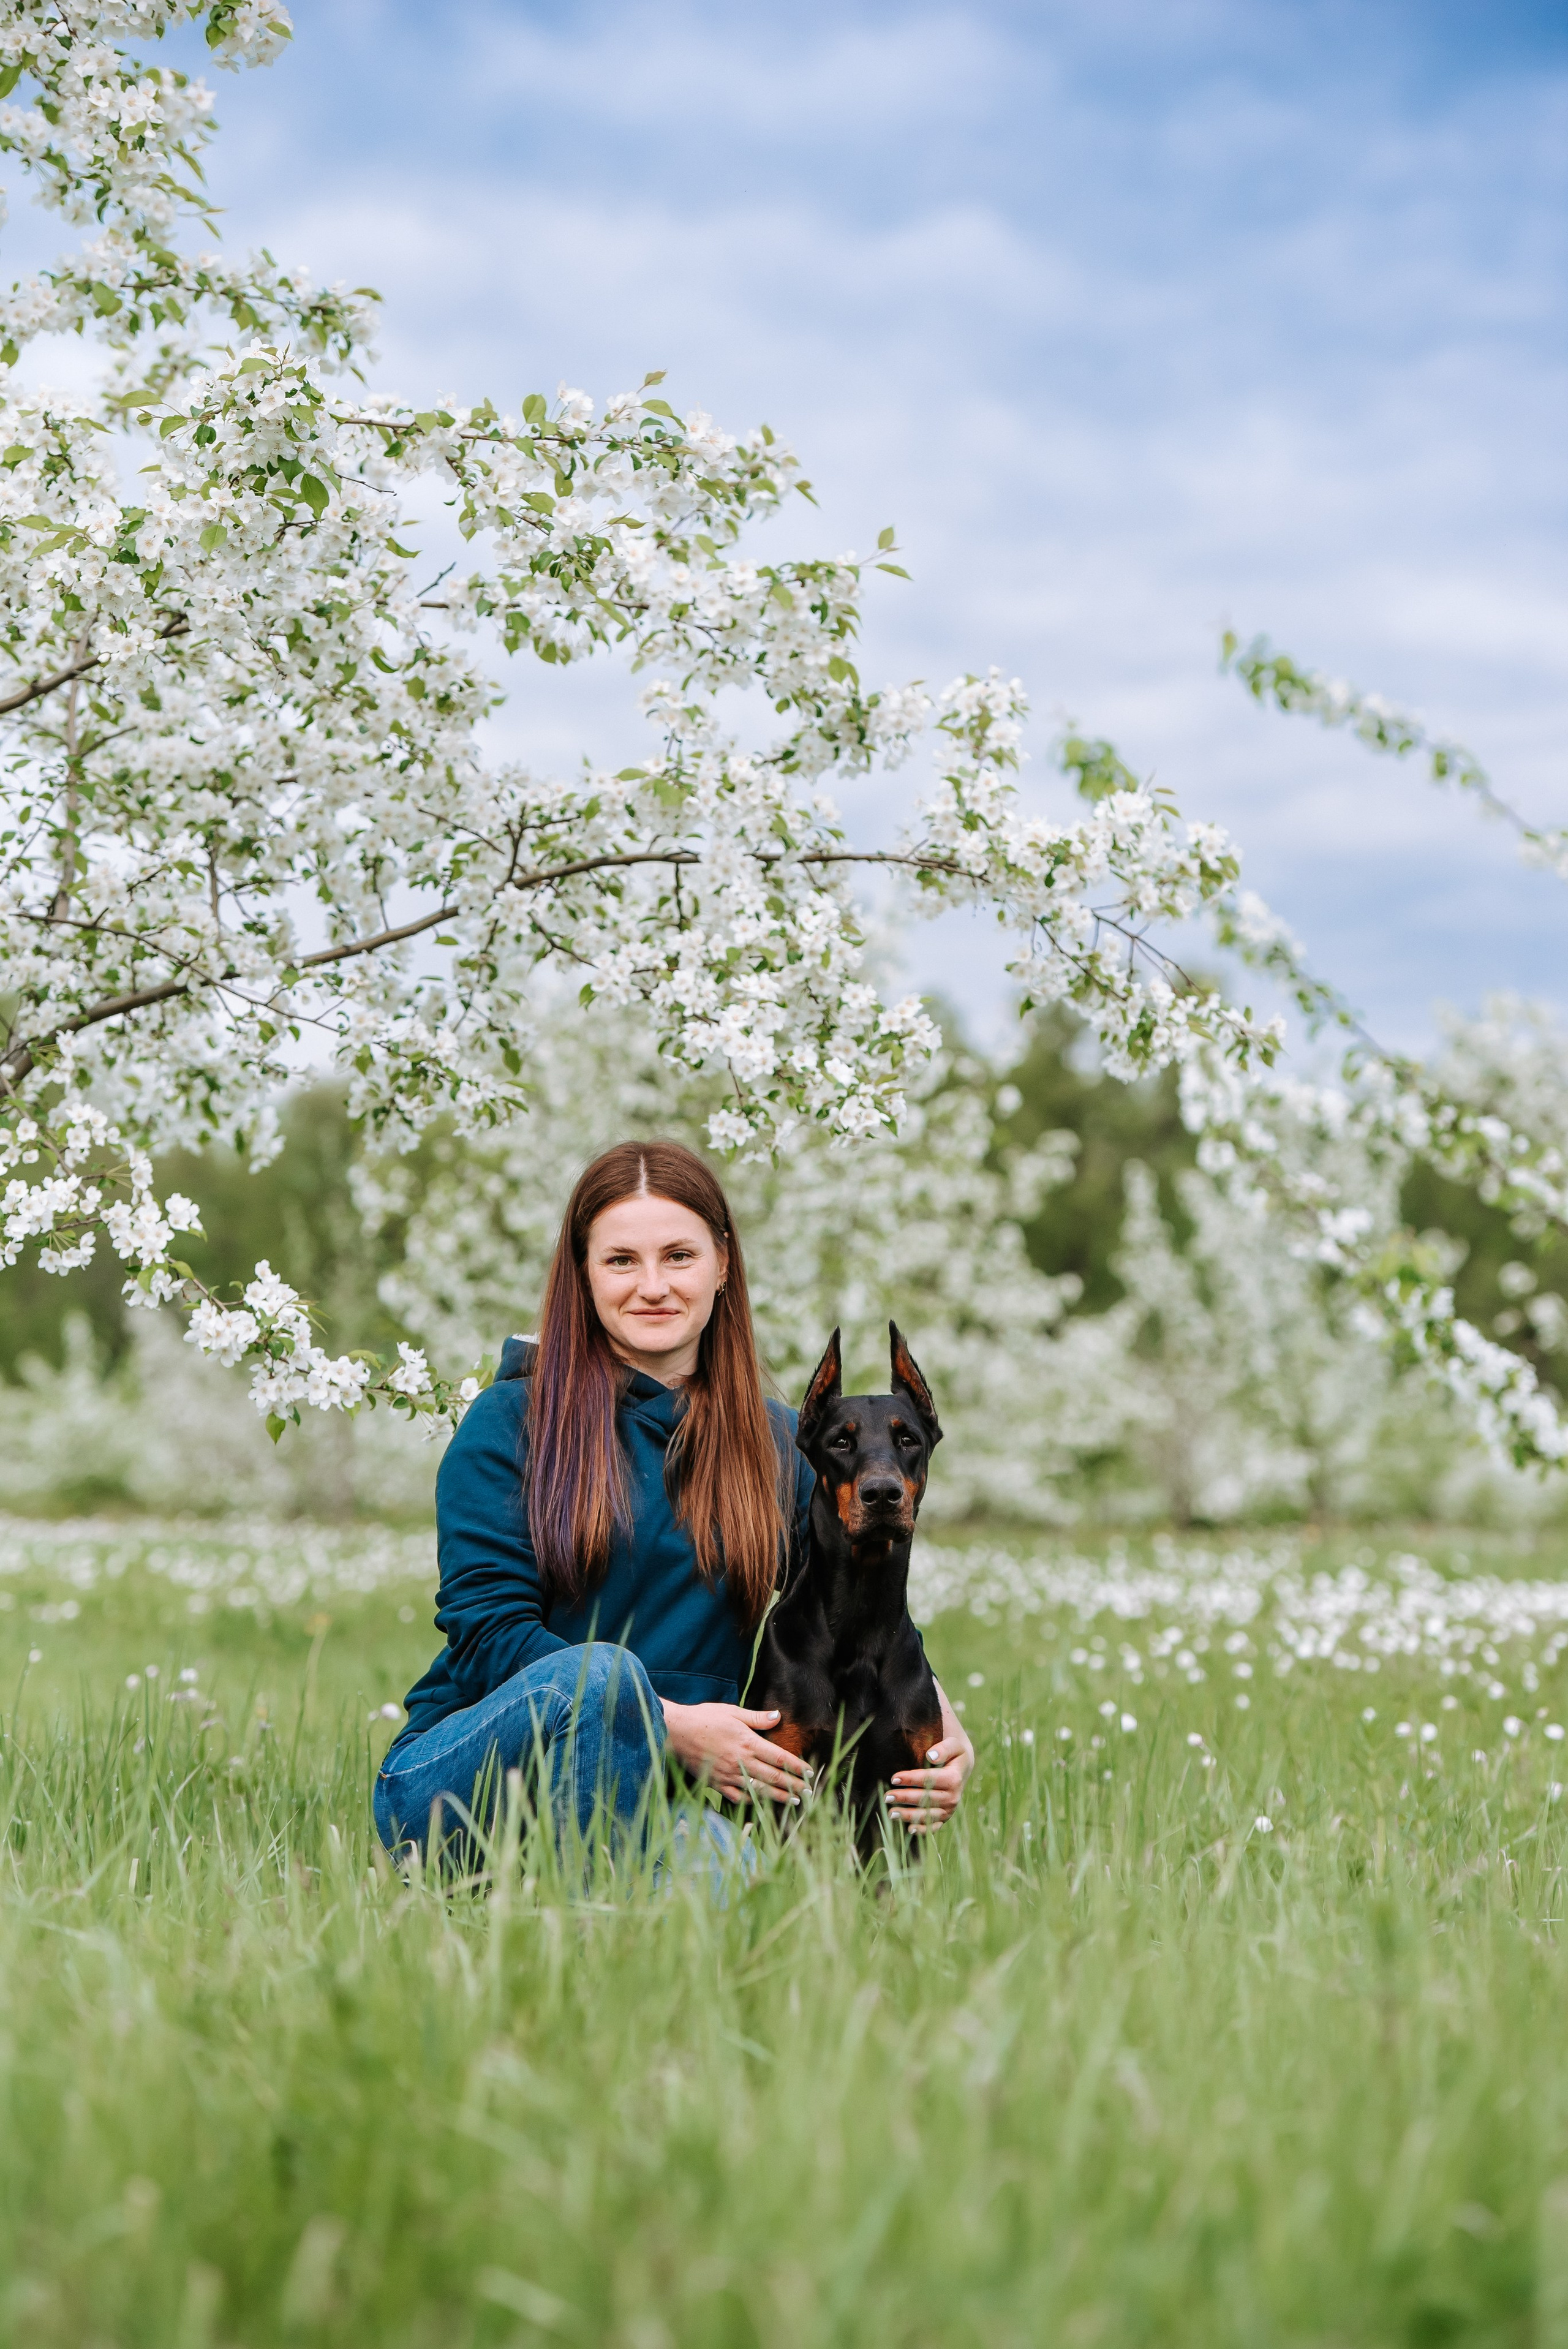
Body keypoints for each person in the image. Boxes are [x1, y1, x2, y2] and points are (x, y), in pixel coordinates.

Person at [374, 1138, 974, 1863]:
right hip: (463, 1784)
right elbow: (488, 1635)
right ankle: (533, 1885)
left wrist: (942, 1725)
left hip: (658, 1796)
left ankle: (578, 1897)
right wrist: (669, 1726)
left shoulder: (778, 1444)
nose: (652, 1285)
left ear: (722, 1264)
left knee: (737, 1879)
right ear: (583, 1273)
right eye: (621, 1260)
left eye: (679, 1256)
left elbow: (850, 1601)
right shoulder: (509, 1423)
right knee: (603, 1675)